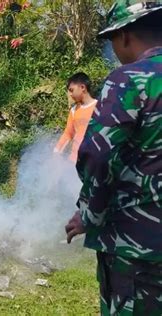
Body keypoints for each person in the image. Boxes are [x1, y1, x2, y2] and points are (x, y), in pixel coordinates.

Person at [65, 1, 162, 315]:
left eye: (112, 41)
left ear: (125, 37)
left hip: (138, 250)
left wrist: (88, 214)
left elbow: (98, 156)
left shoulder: (128, 79)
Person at [54, 73, 97, 162]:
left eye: (71, 90)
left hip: (93, 162)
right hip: (74, 162)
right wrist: (56, 152)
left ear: (82, 87)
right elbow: (68, 134)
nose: (70, 94)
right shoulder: (74, 111)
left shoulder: (99, 107)